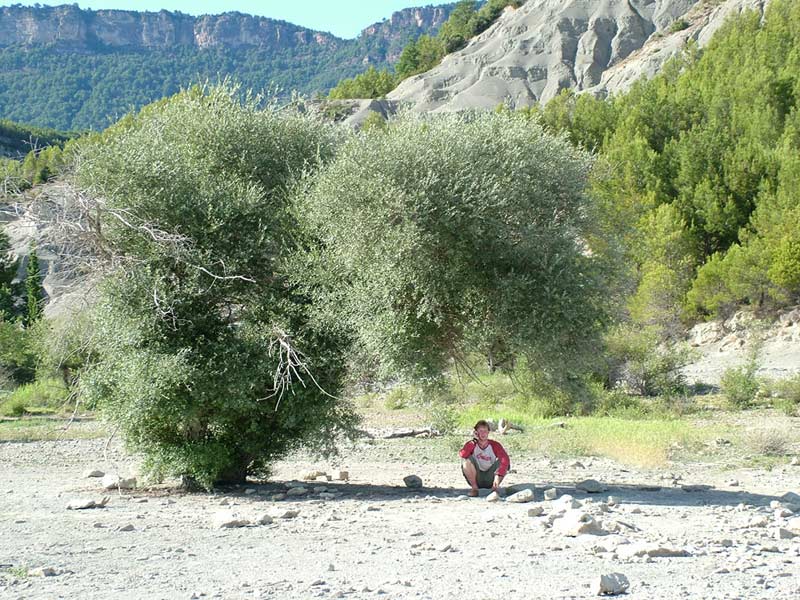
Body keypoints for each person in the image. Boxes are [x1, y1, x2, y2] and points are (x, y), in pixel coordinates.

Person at [459, 419, 510, 497]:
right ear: (476, 432)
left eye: (485, 431)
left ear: (488, 432)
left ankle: (495, 488)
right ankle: (474, 489)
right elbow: (463, 454)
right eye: (480, 431)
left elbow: (505, 459)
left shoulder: (495, 445)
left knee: (504, 460)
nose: (483, 434)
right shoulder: (471, 444)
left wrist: (498, 476)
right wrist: (474, 441)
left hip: (491, 477)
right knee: (466, 459)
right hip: (476, 477)